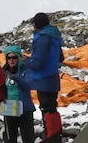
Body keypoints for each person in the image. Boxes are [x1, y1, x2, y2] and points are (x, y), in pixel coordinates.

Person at [24, 13, 63, 143]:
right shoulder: (54, 35)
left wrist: (26, 61)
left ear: (37, 25)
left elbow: (38, 63)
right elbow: (60, 57)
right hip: (53, 77)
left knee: (46, 108)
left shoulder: (42, 38)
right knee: (52, 107)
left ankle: (51, 137)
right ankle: (56, 134)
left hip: (43, 79)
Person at [1, 46, 36, 143]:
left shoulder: (26, 71)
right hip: (9, 107)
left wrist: (15, 78)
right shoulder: (3, 72)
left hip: (24, 108)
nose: (11, 60)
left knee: (27, 138)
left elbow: (29, 85)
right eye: (9, 58)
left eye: (14, 57)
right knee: (9, 138)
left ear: (19, 58)